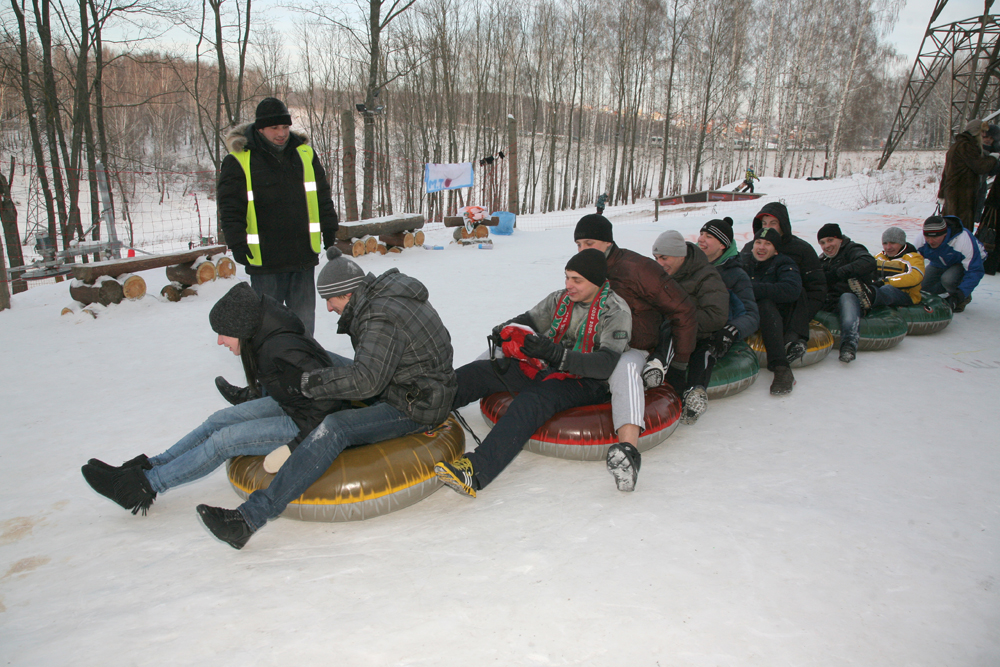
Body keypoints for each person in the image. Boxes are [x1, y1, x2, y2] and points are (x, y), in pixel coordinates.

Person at [195, 248, 457, 549]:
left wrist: (312, 384)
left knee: (336, 426)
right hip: (403, 382)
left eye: (329, 300)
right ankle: (256, 393)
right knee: (324, 359)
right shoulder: (380, 298)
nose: (329, 308)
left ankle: (249, 519)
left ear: (345, 294)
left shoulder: (381, 316)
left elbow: (367, 382)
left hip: (415, 404)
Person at [81, 282, 348, 518]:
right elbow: (286, 386)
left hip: (311, 422)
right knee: (218, 420)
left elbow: (326, 402)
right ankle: (149, 466)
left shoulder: (280, 349)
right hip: (296, 407)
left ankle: (145, 485)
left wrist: (295, 446)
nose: (220, 341)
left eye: (223, 332)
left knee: (223, 441)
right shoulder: (265, 334)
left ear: (240, 327)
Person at [434, 250, 634, 496]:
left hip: (587, 382)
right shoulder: (559, 299)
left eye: (576, 280)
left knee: (531, 401)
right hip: (546, 366)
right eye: (567, 277)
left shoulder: (615, 311)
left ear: (596, 281)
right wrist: (506, 329)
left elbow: (605, 364)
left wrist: (555, 354)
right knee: (477, 372)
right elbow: (528, 320)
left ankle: (475, 471)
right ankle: (421, 414)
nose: (568, 285)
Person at [571, 215, 697, 490]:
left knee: (624, 367)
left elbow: (683, 309)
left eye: (589, 243)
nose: (583, 250)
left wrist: (680, 365)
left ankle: (627, 453)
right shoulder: (585, 268)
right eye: (579, 244)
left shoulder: (638, 268)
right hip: (597, 347)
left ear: (607, 241)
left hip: (635, 347)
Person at [218, 97, 339, 338]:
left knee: (304, 327)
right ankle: (272, 373)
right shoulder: (239, 160)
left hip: (302, 255)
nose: (282, 133)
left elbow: (322, 195)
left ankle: (305, 371)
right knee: (268, 328)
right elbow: (230, 207)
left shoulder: (304, 154)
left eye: (285, 127)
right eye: (275, 128)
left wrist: (329, 228)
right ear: (260, 128)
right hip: (265, 260)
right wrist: (237, 242)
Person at [649, 230, 729, 424]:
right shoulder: (662, 274)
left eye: (664, 257)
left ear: (680, 256)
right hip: (671, 331)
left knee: (703, 352)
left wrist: (683, 320)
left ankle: (694, 392)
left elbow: (717, 315)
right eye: (656, 258)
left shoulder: (706, 276)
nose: (659, 263)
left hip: (701, 332)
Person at [739, 202, 826, 363]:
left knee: (798, 289)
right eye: (764, 224)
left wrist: (801, 321)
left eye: (773, 223)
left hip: (792, 308)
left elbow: (817, 288)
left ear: (783, 225)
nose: (769, 228)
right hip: (760, 304)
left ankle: (794, 340)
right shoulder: (751, 247)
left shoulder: (801, 249)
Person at [746, 228, 802, 395]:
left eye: (767, 244)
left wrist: (752, 289)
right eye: (758, 242)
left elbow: (791, 289)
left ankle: (781, 367)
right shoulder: (743, 260)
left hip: (774, 318)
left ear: (776, 249)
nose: (761, 247)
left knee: (764, 304)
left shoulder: (784, 263)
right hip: (746, 314)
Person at [696, 217, 760, 358]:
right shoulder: (688, 266)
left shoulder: (735, 275)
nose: (701, 239)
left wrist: (730, 331)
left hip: (716, 332)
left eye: (709, 236)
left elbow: (751, 315)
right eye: (701, 234)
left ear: (722, 245)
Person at [816, 224, 878, 363]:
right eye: (822, 242)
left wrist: (839, 273)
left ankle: (849, 344)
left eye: (830, 240)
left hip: (853, 299)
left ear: (840, 240)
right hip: (832, 300)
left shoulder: (852, 249)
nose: (827, 245)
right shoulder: (823, 260)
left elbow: (868, 261)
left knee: (847, 298)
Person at [938, 118, 999, 231]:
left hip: (955, 193)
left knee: (953, 226)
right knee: (960, 229)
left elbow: (945, 173)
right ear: (976, 132)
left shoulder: (958, 145)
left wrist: (941, 194)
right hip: (961, 195)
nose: (984, 136)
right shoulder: (966, 147)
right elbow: (980, 166)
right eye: (982, 133)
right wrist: (993, 158)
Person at [918, 215, 985, 312]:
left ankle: (961, 298)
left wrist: (960, 295)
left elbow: (975, 270)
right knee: (921, 284)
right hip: (941, 261)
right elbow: (911, 261)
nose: (930, 241)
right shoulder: (922, 238)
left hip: (965, 262)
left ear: (944, 234)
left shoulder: (962, 239)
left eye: (935, 237)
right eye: (927, 237)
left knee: (948, 279)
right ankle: (944, 293)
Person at [868, 226, 925, 308]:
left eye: (893, 243)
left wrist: (885, 282)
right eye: (885, 243)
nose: (888, 247)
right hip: (881, 290)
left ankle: (871, 299)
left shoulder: (913, 258)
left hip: (906, 295)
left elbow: (914, 277)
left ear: (901, 243)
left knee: (888, 289)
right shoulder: (879, 257)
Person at [974, 124, 1000, 225]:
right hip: (969, 187)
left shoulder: (993, 150)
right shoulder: (974, 149)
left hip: (981, 187)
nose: (988, 140)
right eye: (985, 137)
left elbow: (993, 171)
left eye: (991, 137)